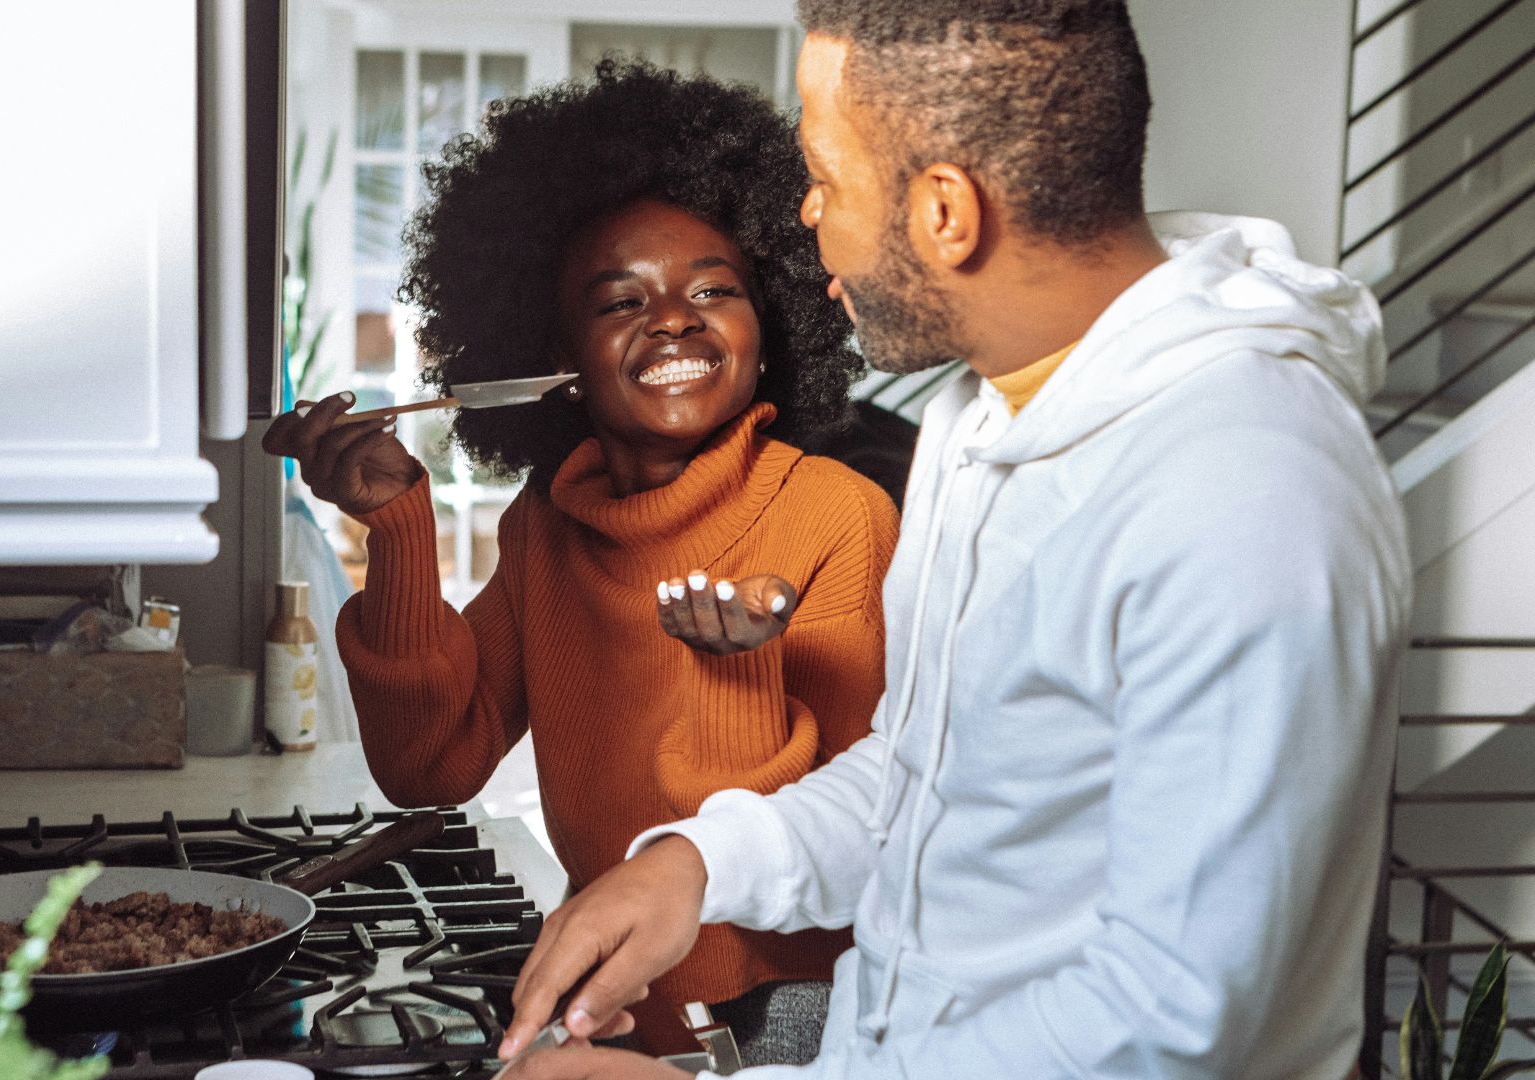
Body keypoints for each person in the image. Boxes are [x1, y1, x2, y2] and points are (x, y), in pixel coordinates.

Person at [497, 2, 1412, 1077]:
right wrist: (706, 862)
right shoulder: (981, 422)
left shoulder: (1246, 490)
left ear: (944, 212)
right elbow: (937, 774)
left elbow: (1174, 1020)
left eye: (827, 180)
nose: (809, 217)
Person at [261, 62, 898, 1063]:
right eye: (619, 301)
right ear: (553, 355)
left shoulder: (837, 517)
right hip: (615, 987)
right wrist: (396, 529)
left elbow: (866, 834)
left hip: (793, 1018)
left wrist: (732, 668)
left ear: (772, 328)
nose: (675, 316)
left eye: (714, 289)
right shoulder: (547, 528)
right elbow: (433, 765)